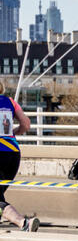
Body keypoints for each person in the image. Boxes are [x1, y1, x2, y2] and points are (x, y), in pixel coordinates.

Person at [0, 81, 40, 232]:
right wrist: (11, 134)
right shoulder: (10, 101)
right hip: (12, 153)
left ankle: (24, 223)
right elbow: (26, 124)